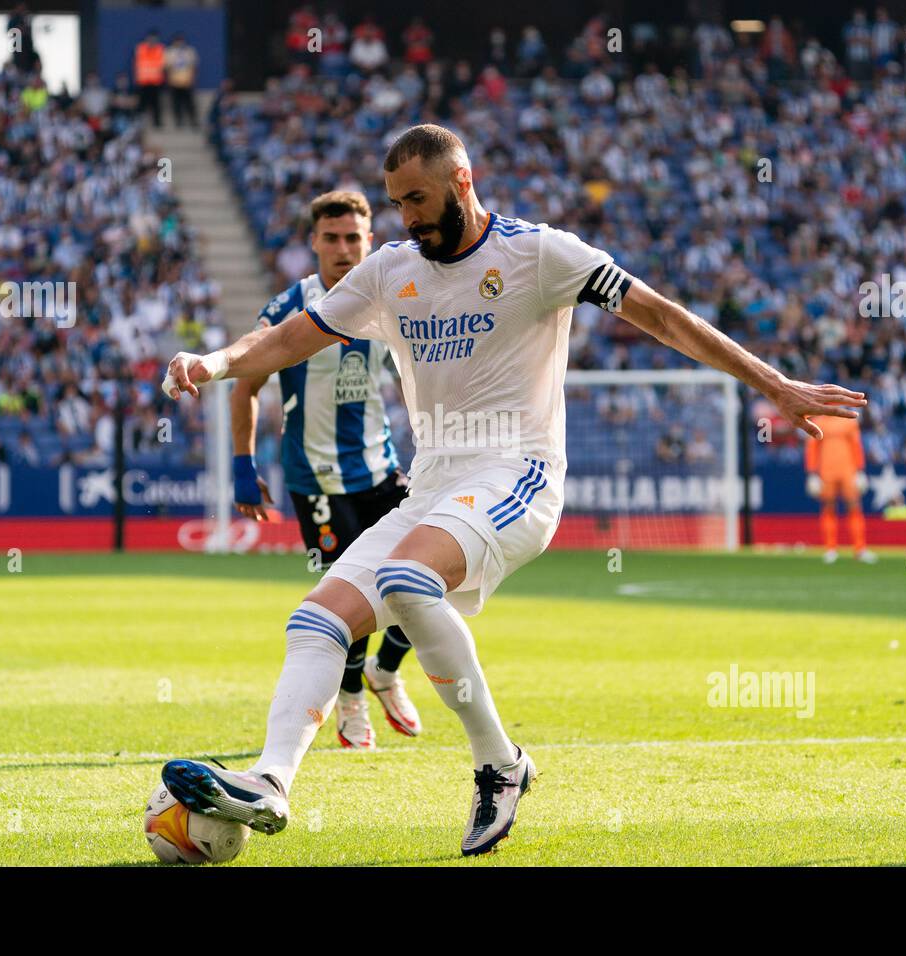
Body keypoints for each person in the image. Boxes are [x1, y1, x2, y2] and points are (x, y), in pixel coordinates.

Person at [159, 124, 866, 856]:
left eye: (420, 199)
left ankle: (499, 765)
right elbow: (285, 340)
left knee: (405, 581)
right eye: (398, 203)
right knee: (316, 621)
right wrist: (211, 364)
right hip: (430, 485)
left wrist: (773, 384)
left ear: (463, 181)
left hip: (518, 471)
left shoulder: (538, 253)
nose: (408, 218)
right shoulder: (389, 271)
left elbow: (661, 316)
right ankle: (271, 782)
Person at [231, 190, 421, 750]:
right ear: (314, 242)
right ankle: (354, 700)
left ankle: (386, 669)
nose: (343, 249)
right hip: (315, 480)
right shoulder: (291, 306)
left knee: (433, 577)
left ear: (369, 240)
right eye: (332, 239)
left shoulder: (391, 300)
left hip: (382, 471)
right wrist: (243, 464)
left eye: (354, 238)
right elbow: (246, 382)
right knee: (349, 592)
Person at [805, 413, 876, 563]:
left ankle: (859, 549)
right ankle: (830, 549)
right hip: (826, 471)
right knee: (828, 507)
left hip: (847, 470)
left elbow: (856, 446)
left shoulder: (849, 422)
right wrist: (812, 472)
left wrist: (860, 470)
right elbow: (812, 448)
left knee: (854, 506)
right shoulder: (818, 422)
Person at [165, 34, 199, 128]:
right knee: (176, 104)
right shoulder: (169, 52)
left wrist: (193, 79)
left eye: (181, 41)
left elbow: (194, 66)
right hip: (174, 82)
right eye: (177, 41)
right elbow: (167, 67)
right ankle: (179, 122)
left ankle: (194, 121)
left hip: (187, 81)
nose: (179, 43)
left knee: (190, 103)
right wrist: (169, 80)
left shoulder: (189, 51)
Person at [133, 31, 166, 127]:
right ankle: (138, 122)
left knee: (156, 104)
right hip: (143, 81)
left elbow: (162, 65)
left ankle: (157, 123)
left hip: (155, 82)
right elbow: (139, 63)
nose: (152, 41)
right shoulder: (141, 48)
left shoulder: (160, 49)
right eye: (150, 38)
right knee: (142, 104)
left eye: (154, 39)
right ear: (147, 39)